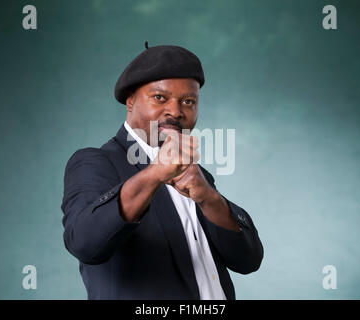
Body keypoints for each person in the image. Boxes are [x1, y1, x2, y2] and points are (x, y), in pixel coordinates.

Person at [61, 42, 263, 300]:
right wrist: (156, 173)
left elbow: (249, 260)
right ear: (131, 101)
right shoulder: (95, 161)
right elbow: (85, 242)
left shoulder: (197, 175)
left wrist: (209, 197)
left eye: (188, 101)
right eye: (160, 98)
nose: (176, 111)